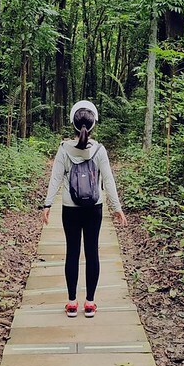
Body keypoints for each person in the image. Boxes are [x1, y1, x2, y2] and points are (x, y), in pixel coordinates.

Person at [42, 100, 127, 318]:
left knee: (72, 252)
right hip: (94, 208)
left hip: (70, 209)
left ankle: (72, 303)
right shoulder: (99, 150)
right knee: (92, 253)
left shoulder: (63, 149)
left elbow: (55, 179)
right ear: (92, 125)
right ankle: (90, 304)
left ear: (72, 124)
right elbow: (108, 181)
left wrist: (48, 204)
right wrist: (116, 208)